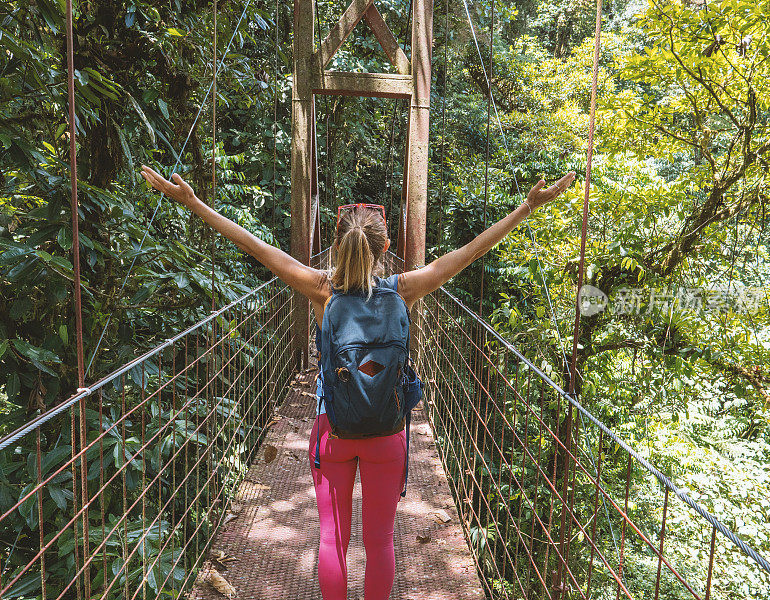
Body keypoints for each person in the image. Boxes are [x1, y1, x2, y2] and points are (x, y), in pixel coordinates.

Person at [139, 164, 576, 600]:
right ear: (386, 246)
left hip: (333, 431)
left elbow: (256, 247)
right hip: (387, 434)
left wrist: (194, 203)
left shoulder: (319, 289)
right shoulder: (404, 289)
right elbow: (469, 253)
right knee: (380, 543)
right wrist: (525, 209)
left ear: (336, 245)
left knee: (333, 542)